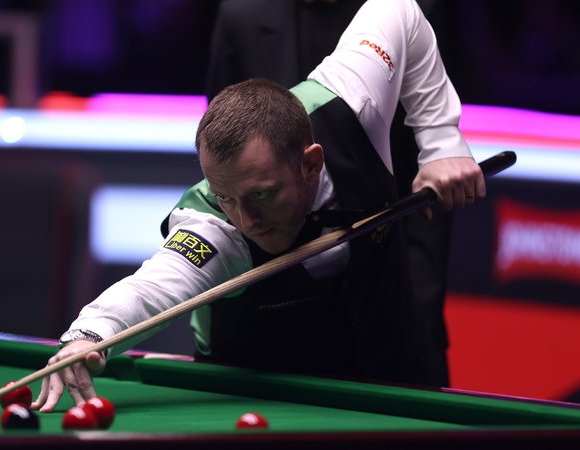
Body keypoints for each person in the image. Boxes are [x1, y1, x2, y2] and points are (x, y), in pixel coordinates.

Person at [32, 0, 483, 412]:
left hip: (389, 363)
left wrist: (441, 141)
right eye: (226, 196)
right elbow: (154, 287)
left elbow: (399, 11)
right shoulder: (213, 226)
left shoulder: (351, 100)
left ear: (310, 164)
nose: (246, 220)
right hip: (253, 388)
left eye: (262, 194)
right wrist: (88, 336)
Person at [205, 0, 454, 386]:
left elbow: (422, 169)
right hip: (284, 297)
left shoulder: (400, 13)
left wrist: (415, 311)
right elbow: (224, 155)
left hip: (388, 277)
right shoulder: (242, 14)